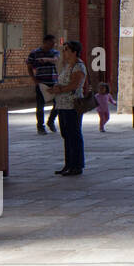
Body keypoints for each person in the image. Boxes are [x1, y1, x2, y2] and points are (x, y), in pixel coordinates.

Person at [48, 40, 87, 176]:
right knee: (66, 134)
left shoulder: (78, 66)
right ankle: (68, 164)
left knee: (74, 135)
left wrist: (59, 89)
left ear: (74, 52)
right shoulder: (67, 66)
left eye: (66, 50)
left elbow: (74, 85)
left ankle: (77, 165)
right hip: (62, 104)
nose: (64, 52)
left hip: (72, 105)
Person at [27, 34, 60, 135]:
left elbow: (56, 59)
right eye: (51, 43)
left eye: (54, 43)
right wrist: (34, 79)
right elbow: (29, 66)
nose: (53, 45)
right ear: (45, 42)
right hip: (41, 82)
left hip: (53, 82)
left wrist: (46, 60)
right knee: (40, 105)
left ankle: (51, 121)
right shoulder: (34, 53)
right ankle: (40, 127)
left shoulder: (54, 52)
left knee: (58, 103)